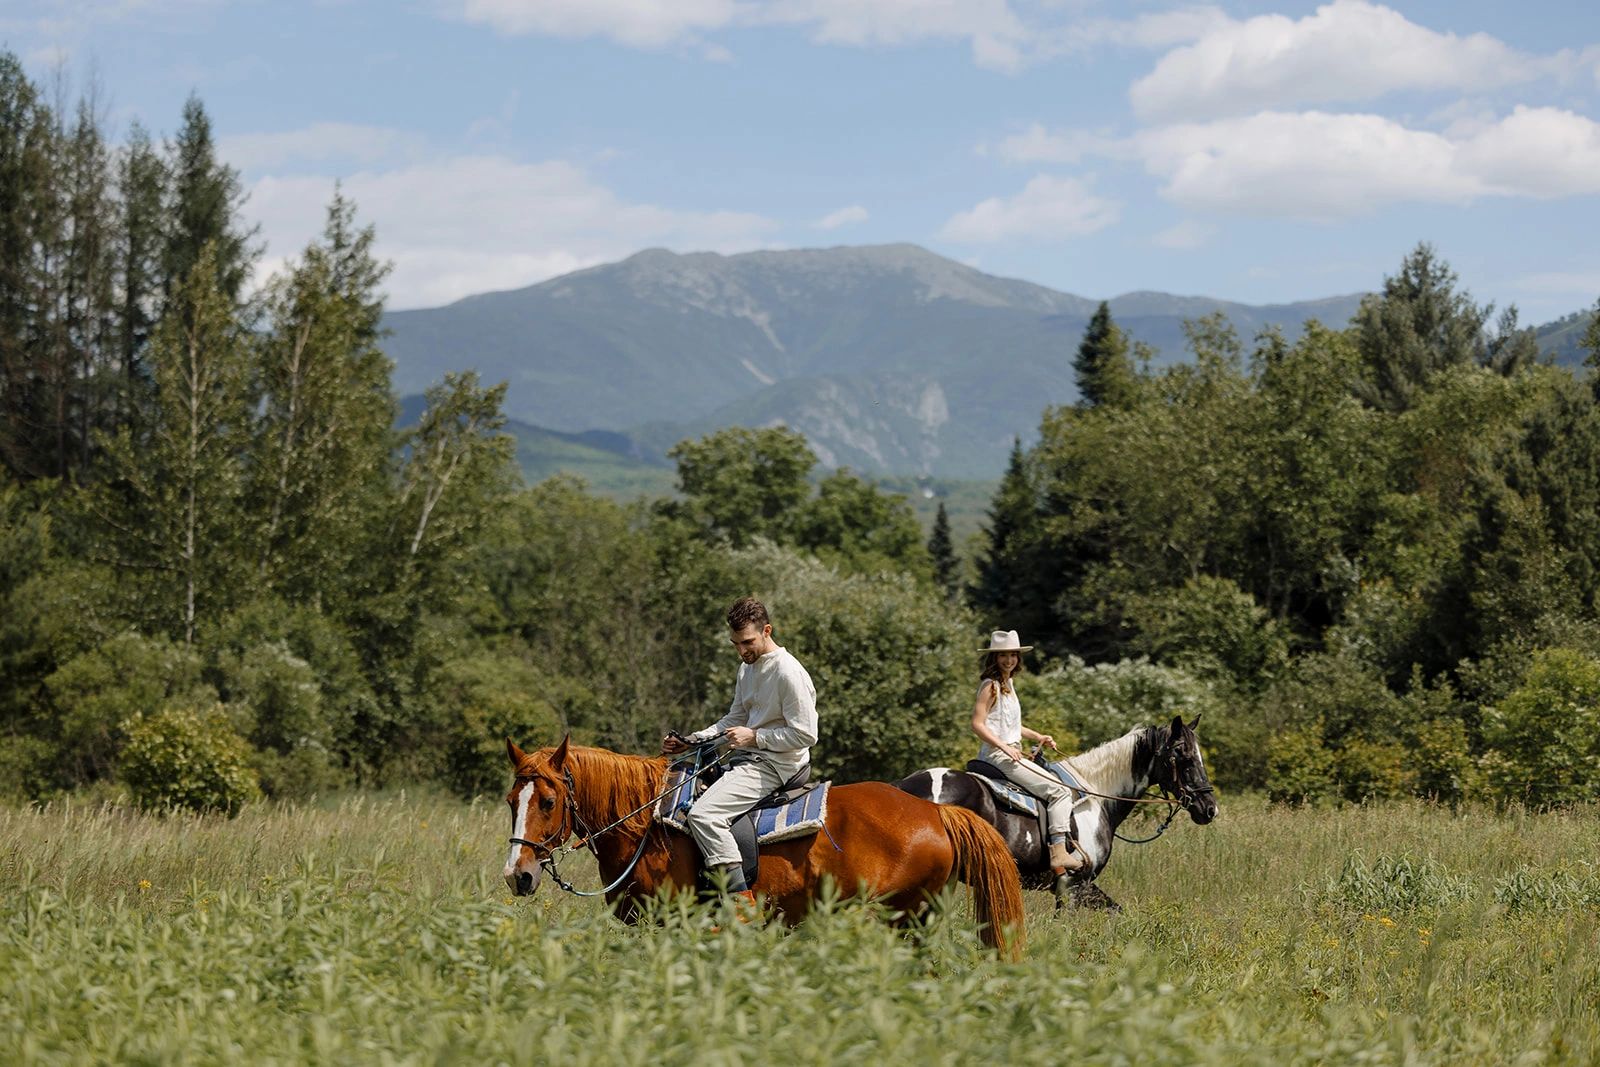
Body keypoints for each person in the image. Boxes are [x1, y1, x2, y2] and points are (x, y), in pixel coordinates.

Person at [662, 596, 817, 903]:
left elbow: (806, 734)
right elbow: (734, 719)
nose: (741, 650)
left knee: (705, 816)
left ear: (767, 630)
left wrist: (755, 737)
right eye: (735, 644)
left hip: (779, 765)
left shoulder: (788, 672)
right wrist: (692, 741)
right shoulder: (747, 668)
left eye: (747, 642)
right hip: (750, 757)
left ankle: (740, 905)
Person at [971, 629, 1086, 875]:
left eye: (1013, 655)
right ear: (994, 658)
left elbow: (1010, 725)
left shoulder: (1008, 685)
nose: (1009, 660)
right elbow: (978, 724)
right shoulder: (990, 686)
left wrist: (1038, 736)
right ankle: (1058, 852)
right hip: (999, 755)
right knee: (1060, 791)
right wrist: (1004, 747)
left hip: (1010, 751)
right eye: (1003, 656)